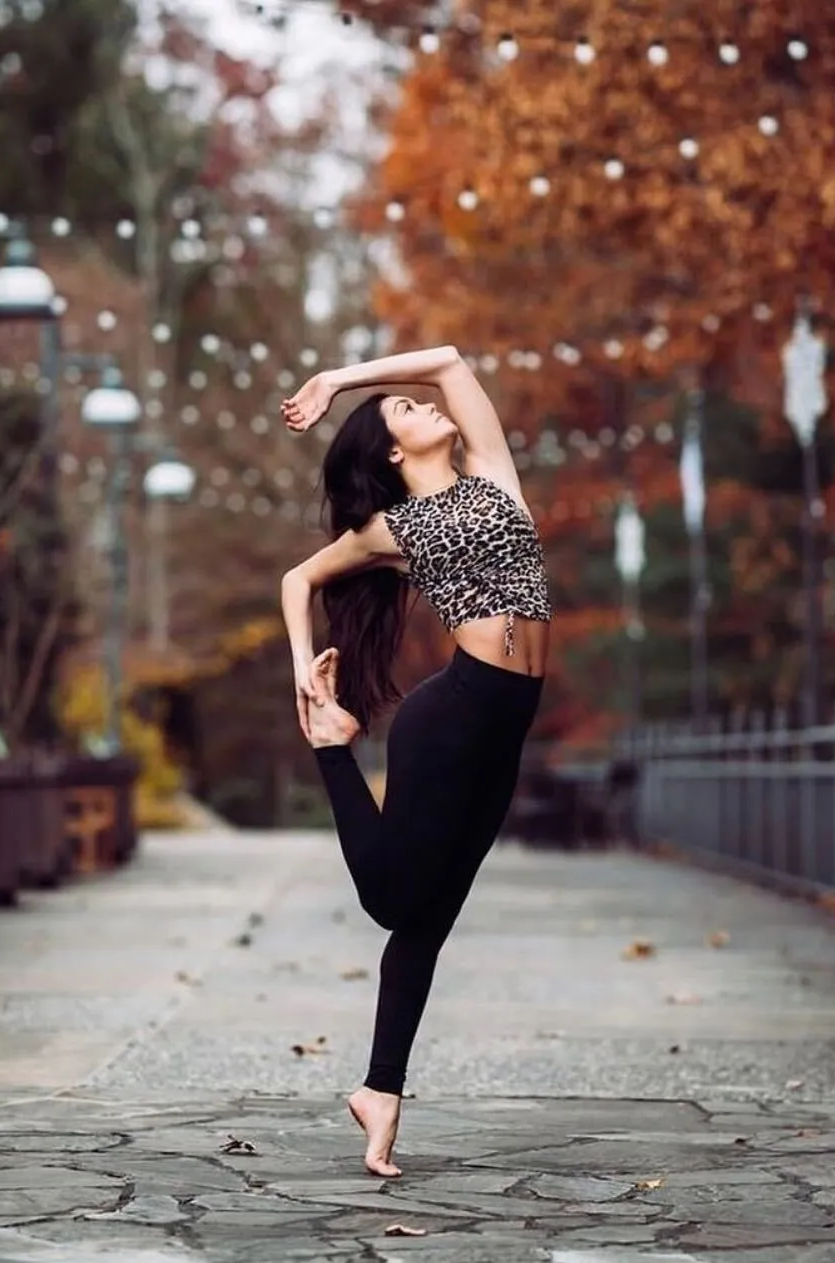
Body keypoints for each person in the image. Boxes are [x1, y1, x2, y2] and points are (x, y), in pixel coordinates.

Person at [279, 345, 552, 1178]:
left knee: (428, 918)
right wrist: (302, 664)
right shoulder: (389, 529)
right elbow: (299, 580)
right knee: (396, 899)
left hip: (506, 721)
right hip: (455, 713)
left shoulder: (492, 473)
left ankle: (380, 1092)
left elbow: (452, 361)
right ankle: (334, 752)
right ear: (394, 454)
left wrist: (337, 379)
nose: (424, 404)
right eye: (404, 410)